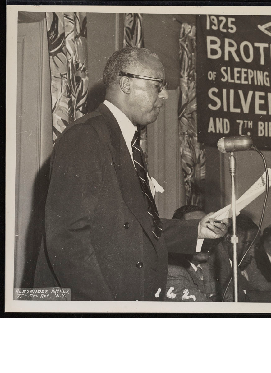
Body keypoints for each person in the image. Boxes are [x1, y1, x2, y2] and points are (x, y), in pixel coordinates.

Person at [34, 47, 227, 301]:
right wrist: (107, 313)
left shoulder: (123, 139)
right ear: (125, 83)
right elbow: (67, 239)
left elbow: (134, 228)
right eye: (157, 85)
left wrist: (198, 231)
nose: (164, 96)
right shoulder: (86, 136)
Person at [216, 214, 271, 303]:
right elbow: (238, 299)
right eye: (247, 244)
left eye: (255, 246)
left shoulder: (244, 262)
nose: (252, 252)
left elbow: (264, 287)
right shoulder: (215, 263)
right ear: (229, 239)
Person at [165, 205, 218, 302]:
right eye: (197, 233)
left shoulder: (214, 264)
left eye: (208, 229)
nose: (205, 239)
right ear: (179, 236)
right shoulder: (171, 270)